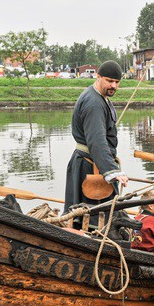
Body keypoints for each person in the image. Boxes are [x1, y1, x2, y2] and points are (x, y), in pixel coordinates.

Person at [64, 60, 128, 220]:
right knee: (93, 218)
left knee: (86, 216)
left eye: (117, 82)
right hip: (90, 166)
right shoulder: (94, 104)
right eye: (109, 81)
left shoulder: (99, 96)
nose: (113, 86)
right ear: (98, 77)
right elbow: (96, 141)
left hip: (92, 162)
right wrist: (112, 171)